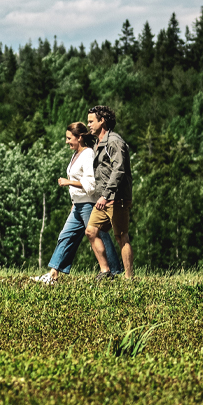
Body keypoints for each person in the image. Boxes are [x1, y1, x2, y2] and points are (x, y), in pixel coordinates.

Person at [32, 122, 97, 284]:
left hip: (88, 204)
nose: (67, 141)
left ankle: (112, 271)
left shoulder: (88, 154)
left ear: (80, 137)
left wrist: (69, 182)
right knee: (65, 236)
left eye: (69, 138)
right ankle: (53, 274)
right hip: (79, 205)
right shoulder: (76, 154)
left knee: (99, 239)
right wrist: (74, 203)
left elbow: (90, 184)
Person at [86, 104, 134, 279]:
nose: (88, 124)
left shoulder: (114, 141)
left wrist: (106, 195)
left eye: (91, 121)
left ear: (102, 121)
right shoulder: (98, 141)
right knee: (91, 231)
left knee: (121, 236)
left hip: (116, 197)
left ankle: (129, 278)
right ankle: (106, 271)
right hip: (104, 199)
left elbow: (119, 170)